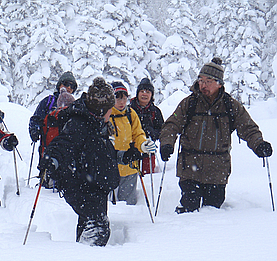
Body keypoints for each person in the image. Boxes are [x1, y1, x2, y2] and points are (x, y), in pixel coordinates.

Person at [159, 57, 273, 213]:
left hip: (217, 171)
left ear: (219, 84)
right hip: (190, 170)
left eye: (208, 81)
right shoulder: (189, 104)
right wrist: (167, 144)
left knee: (214, 216)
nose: (203, 85)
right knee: (188, 213)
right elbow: (171, 125)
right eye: (201, 80)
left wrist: (259, 144)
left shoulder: (230, 106)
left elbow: (248, 128)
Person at [39, 77, 142, 246]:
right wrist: (52, 159)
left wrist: (124, 156)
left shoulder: (97, 122)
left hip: (94, 184)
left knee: (89, 223)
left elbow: (101, 153)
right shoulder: (80, 123)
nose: (113, 110)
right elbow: (63, 143)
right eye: (110, 107)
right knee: (98, 227)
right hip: (82, 185)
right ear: (102, 109)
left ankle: (83, 254)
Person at [109, 81, 156, 205]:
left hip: (130, 167)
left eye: (124, 98)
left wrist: (143, 145)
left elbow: (138, 134)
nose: (122, 102)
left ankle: (129, 224)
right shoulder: (106, 115)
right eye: (118, 99)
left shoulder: (131, 114)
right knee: (108, 206)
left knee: (128, 206)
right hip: (109, 168)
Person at [28, 71, 78, 187]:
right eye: (66, 84)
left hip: (68, 151)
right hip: (48, 148)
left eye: (72, 86)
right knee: (47, 183)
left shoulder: (74, 104)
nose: (69, 88)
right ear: (59, 85)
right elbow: (35, 119)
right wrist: (35, 130)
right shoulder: (48, 102)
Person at [130, 78, 164, 175]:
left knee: (148, 177)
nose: (144, 94)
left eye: (148, 92)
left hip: (148, 150)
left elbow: (162, 130)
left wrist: (153, 133)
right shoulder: (130, 110)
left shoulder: (155, 112)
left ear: (151, 95)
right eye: (142, 91)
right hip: (132, 150)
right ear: (137, 93)